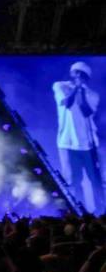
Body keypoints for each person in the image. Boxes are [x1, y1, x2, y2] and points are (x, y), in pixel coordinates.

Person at [53, 61, 104, 213]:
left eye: (83, 75)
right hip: (67, 143)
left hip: (88, 144)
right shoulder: (60, 86)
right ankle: (78, 212)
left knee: (95, 180)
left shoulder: (93, 94)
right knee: (73, 181)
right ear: (72, 73)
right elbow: (67, 103)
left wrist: (81, 91)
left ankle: (101, 212)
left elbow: (86, 112)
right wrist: (76, 88)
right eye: (77, 73)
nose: (79, 76)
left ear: (87, 78)